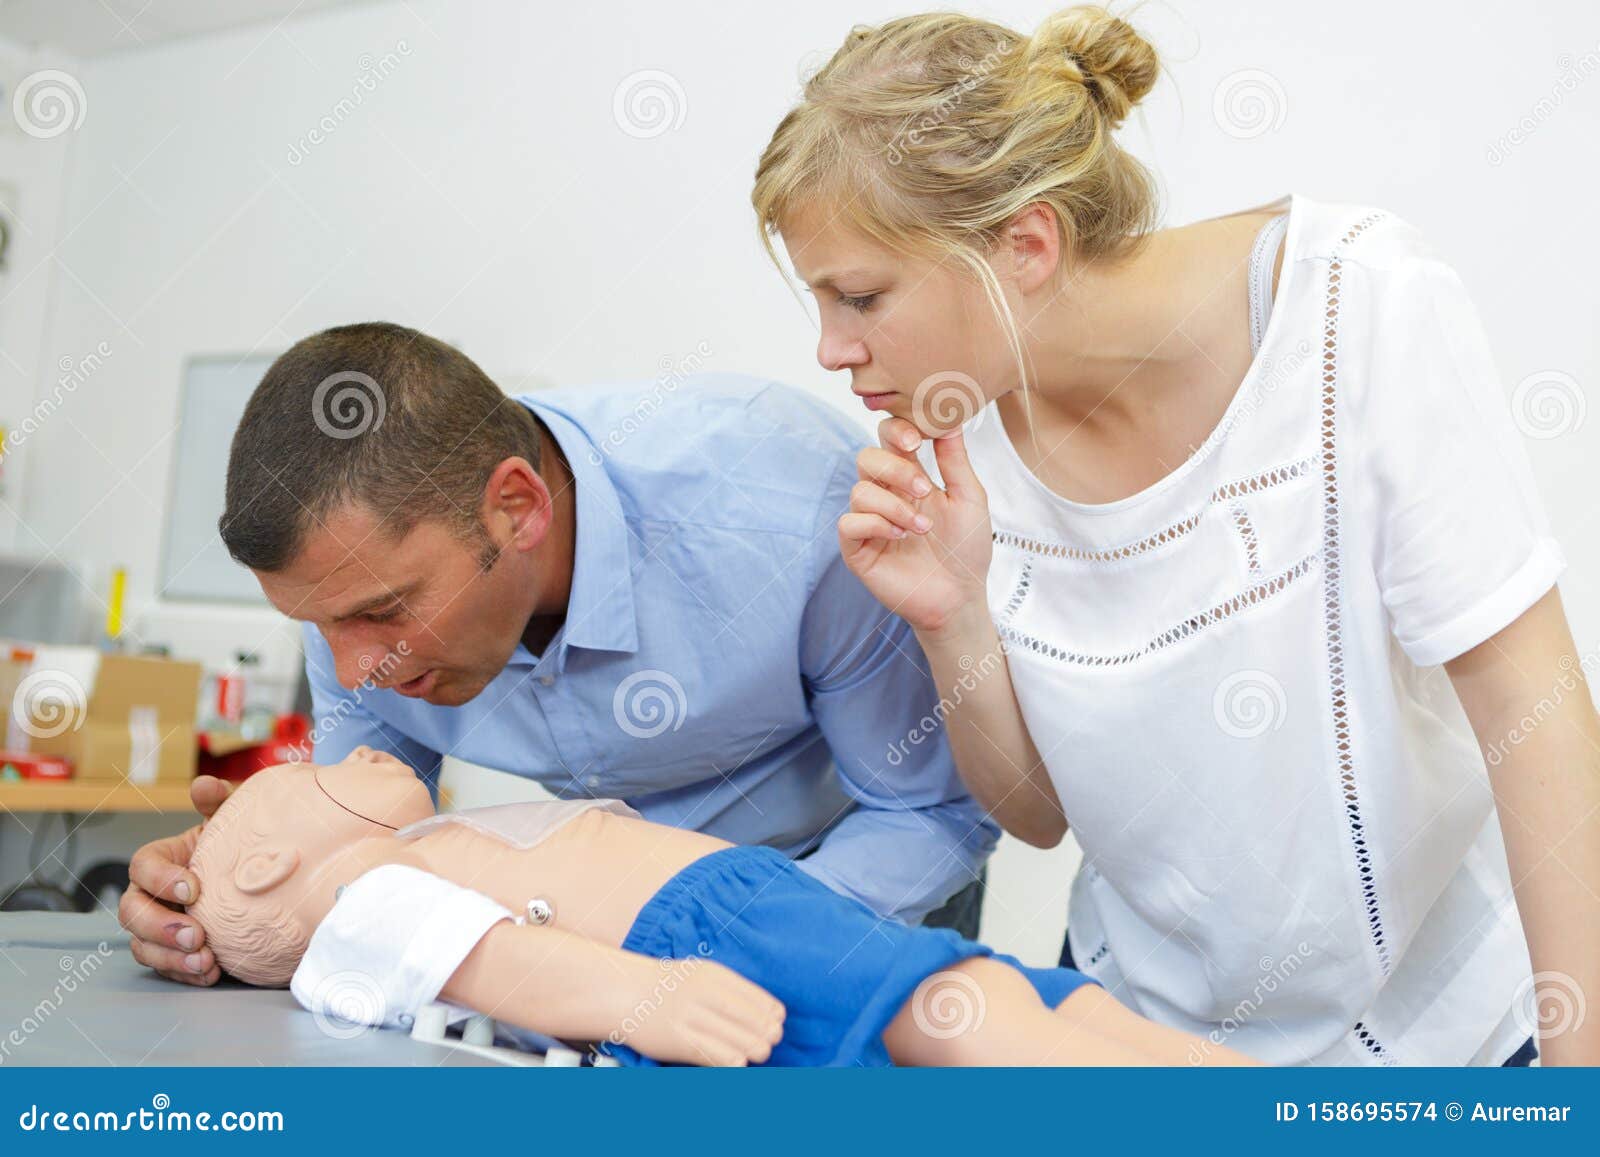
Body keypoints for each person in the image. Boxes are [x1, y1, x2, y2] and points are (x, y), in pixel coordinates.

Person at [750, 5, 1600, 1065]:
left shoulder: (1357, 308)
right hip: (1139, 1035)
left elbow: (1536, 713)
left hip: (1445, 1040)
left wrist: (1578, 1088)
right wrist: (951, 616)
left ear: (1026, 244)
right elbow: (1039, 818)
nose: (830, 350)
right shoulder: (965, 448)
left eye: (859, 297)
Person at [120, 322, 998, 988]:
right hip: (601, 946)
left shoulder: (789, 513)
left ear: (517, 507)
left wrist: (716, 949)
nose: (356, 673)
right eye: (320, 626)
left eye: (384, 612)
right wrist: (218, 906)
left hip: (850, 890)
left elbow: (928, 811)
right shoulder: (355, 602)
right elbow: (363, 851)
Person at [189, 745, 1254, 1067]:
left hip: (736, 910)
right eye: (314, 773)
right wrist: (639, 994)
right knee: (966, 1017)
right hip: (697, 935)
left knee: (1003, 997)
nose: (360, 752)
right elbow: (486, 956)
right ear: (267, 865)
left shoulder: (405, 855)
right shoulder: (359, 899)